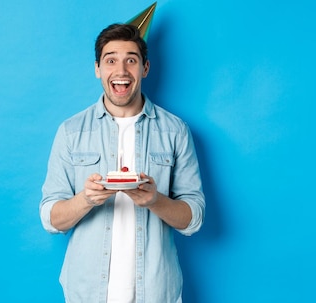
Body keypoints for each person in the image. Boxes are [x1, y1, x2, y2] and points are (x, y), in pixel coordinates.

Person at [39, 23, 205, 303]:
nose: (121, 71)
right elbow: (51, 219)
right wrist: (87, 199)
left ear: (145, 68)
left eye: (131, 60)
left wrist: (155, 200)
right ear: (97, 69)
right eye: (111, 60)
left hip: (155, 292)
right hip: (86, 292)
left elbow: (194, 218)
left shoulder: (176, 131)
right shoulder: (71, 131)